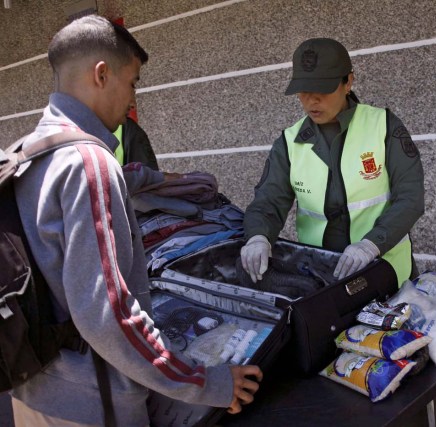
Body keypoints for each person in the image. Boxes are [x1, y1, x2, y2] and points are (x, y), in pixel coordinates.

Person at [11, 15, 261, 426]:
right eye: (132, 82)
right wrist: (206, 382)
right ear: (101, 74)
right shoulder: (88, 163)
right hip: (94, 406)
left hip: (34, 394)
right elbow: (108, 316)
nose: (132, 100)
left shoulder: (25, 154)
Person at [241, 38, 425, 287]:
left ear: (348, 81)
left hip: (384, 268)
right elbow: (269, 201)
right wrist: (258, 237)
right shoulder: (289, 142)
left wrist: (371, 244)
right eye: (304, 90)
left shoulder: (384, 126)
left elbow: (411, 198)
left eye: (323, 89)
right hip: (321, 273)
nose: (312, 100)